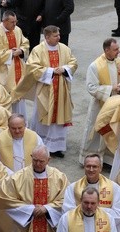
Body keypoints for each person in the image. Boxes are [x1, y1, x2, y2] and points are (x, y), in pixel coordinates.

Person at [13, 25, 78, 158]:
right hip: (45, 90)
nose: (59, 38)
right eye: (55, 36)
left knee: (59, 116)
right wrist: (51, 71)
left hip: (61, 89)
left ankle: (57, 147)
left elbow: (73, 62)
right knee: (42, 114)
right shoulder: (38, 50)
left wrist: (65, 69)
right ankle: (41, 145)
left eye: (59, 35)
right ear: (47, 37)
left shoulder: (64, 48)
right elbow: (31, 67)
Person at [79, 38, 120, 165]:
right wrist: (109, 89)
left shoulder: (119, 62)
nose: (119, 52)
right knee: (96, 129)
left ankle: (108, 159)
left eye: (118, 49)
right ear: (107, 50)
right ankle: (91, 158)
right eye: (115, 50)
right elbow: (91, 87)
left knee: (113, 129)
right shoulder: (95, 65)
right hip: (100, 105)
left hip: (115, 103)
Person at [63, 154, 120, 226]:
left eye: (95, 166)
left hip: (104, 228)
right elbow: (67, 211)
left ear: (100, 168)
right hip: (80, 226)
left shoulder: (115, 188)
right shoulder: (73, 188)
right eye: (88, 166)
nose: (91, 169)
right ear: (84, 167)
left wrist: (92, 211)